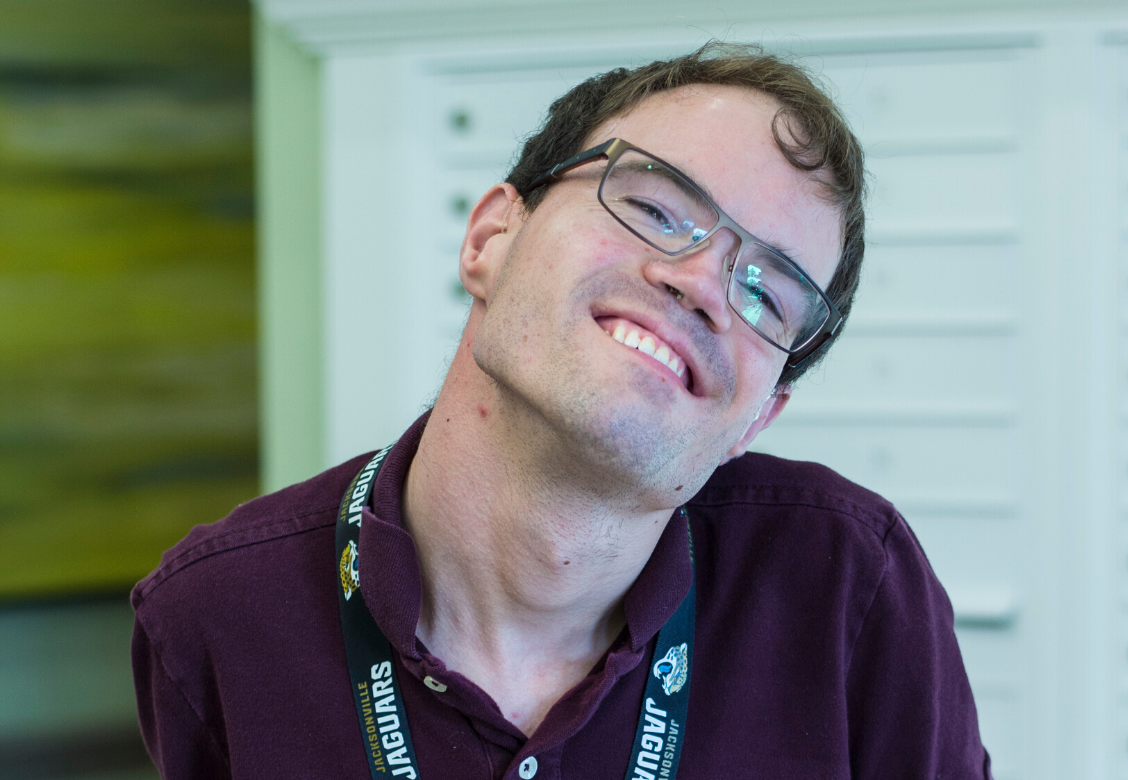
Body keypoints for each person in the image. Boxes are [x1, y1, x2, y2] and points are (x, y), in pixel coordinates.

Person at [131, 43, 992, 779]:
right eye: (655, 208)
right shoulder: (214, 616)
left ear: (759, 418)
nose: (701, 286)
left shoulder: (850, 587)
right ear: (490, 240)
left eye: (766, 293)